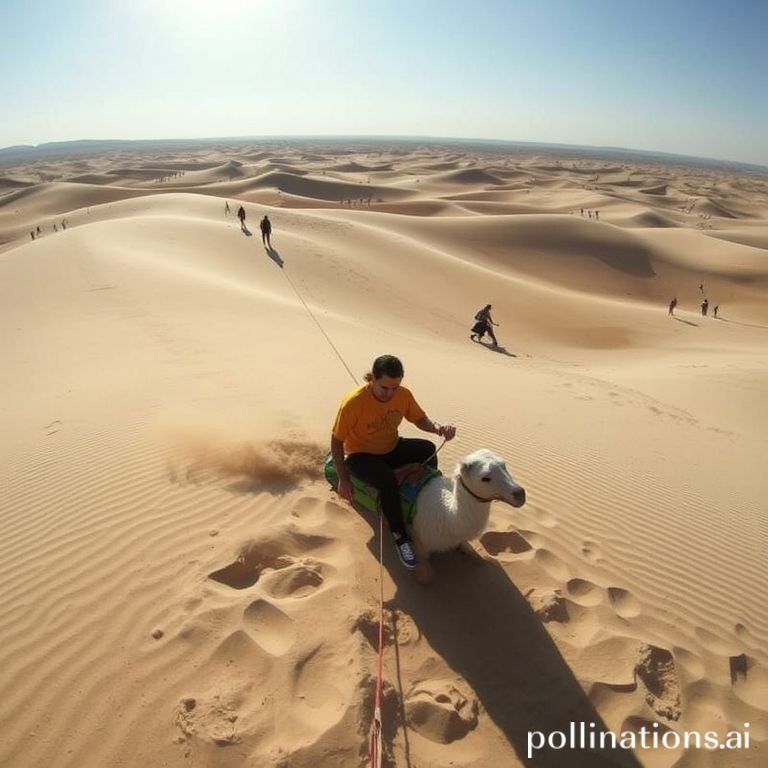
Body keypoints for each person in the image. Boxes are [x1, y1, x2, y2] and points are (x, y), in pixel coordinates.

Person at [330, 355, 456, 570]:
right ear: (372, 379)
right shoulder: (353, 403)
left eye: (395, 388)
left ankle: (430, 499)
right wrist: (343, 479)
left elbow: (419, 419)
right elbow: (336, 441)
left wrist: (438, 428)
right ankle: (400, 535)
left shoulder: (403, 395)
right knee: (386, 480)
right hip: (361, 455)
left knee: (427, 449)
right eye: (384, 388)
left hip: (391, 447)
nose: (390, 394)